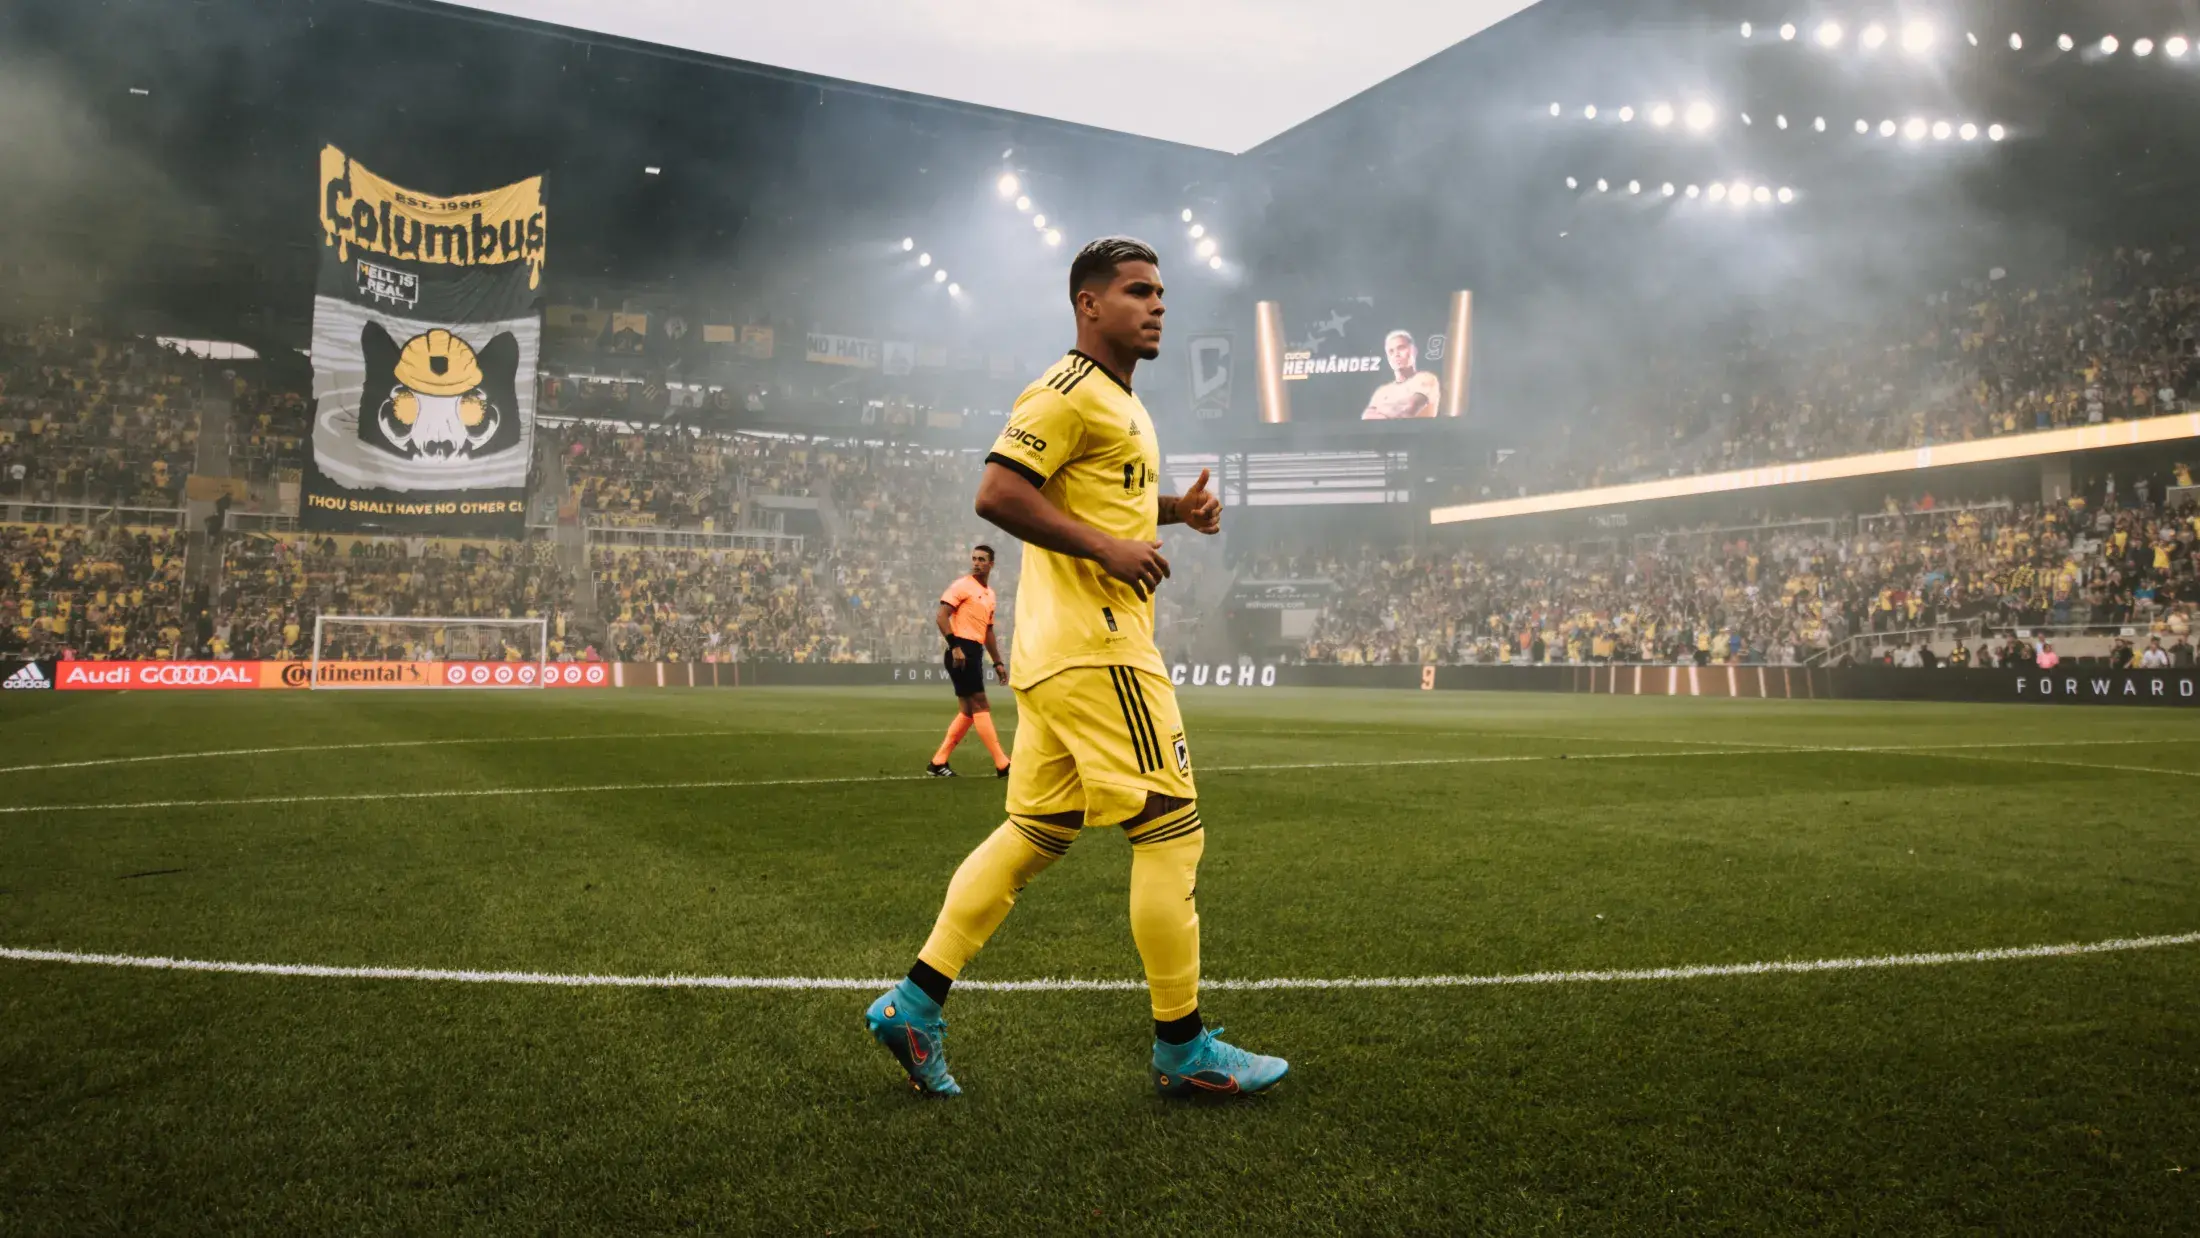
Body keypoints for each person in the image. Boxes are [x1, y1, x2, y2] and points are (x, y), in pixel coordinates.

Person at [866, 237, 1286, 1099]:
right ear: (1089, 304)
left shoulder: (1122, 404)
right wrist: (1107, 547)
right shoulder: (1066, 392)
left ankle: (914, 1002)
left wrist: (1174, 511)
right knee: (1173, 827)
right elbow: (998, 490)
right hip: (1100, 646)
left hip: (1057, 655)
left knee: (1035, 835)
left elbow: (1097, 497)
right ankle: (1183, 1048)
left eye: (1162, 291)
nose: (1157, 304)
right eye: (1138, 290)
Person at [926, 544, 1011, 777]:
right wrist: (955, 647)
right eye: (974, 558)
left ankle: (938, 762)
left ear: (991, 564)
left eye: (982, 559)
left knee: (968, 710)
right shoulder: (962, 585)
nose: (976, 562)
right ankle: (1003, 764)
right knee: (981, 705)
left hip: (973, 651)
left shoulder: (989, 595)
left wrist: (998, 663)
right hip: (960, 650)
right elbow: (941, 616)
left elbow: (988, 632)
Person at [1359, 330, 1442, 419]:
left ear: (1414, 350)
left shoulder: (1425, 378)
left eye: (1401, 348)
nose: (1396, 354)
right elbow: (1366, 417)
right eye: (1391, 351)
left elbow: (1409, 411)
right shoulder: (1382, 391)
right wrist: (1396, 409)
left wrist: (1383, 411)